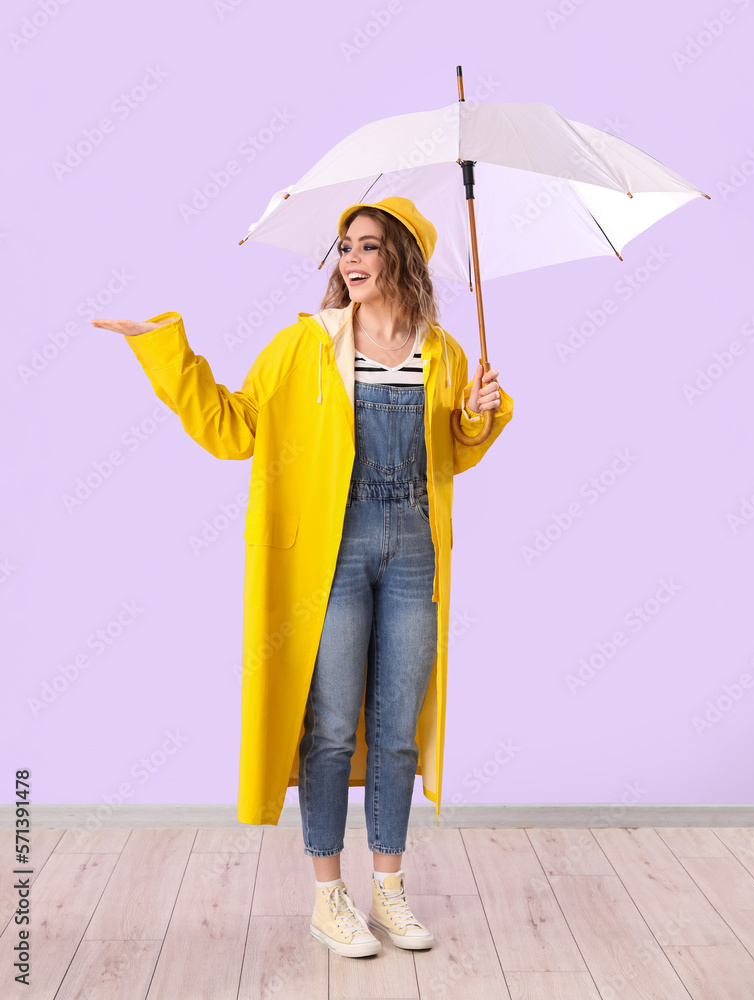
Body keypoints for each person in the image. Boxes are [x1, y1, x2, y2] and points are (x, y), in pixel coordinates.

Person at [92, 196, 514, 959]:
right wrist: (163, 350)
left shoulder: (444, 350)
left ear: (404, 261)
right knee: (326, 728)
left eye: (370, 247)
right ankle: (329, 898)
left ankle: (388, 889)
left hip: (415, 546)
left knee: (395, 731)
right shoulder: (306, 346)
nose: (351, 260)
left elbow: (455, 449)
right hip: (334, 553)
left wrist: (478, 415)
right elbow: (236, 427)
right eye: (345, 247)